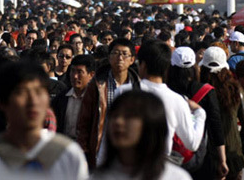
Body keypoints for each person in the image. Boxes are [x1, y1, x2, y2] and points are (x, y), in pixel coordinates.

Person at [0, 61, 88, 179]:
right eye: (22, 93)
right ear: (2, 102)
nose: (33, 101)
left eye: (39, 92)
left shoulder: (67, 154)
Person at [116, 39, 207, 161]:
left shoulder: (122, 92)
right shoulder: (177, 100)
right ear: (166, 68)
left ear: (142, 65)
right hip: (159, 169)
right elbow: (192, 143)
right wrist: (200, 113)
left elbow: (108, 138)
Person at [92, 90, 192, 180]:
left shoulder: (175, 177)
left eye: (129, 116)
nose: (118, 121)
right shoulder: (97, 177)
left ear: (151, 123)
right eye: (115, 115)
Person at [77, 38, 140, 169]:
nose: (120, 58)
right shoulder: (97, 85)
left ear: (132, 60)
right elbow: (84, 120)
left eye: (124, 54)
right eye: (115, 53)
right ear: (109, 57)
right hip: (101, 149)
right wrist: (83, 151)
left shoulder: (138, 87)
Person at [166, 46, 228, 179]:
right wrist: (222, 160)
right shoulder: (206, 91)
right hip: (201, 159)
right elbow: (216, 126)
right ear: (195, 67)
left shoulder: (166, 91)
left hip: (170, 158)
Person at [200, 46, 244, 180]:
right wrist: (239, 142)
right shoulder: (236, 89)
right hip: (233, 153)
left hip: (207, 155)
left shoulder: (200, 90)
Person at [53, 55, 95, 139]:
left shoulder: (96, 99)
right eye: (72, 71)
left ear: (91, 75)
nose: (75, 76)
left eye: (80, 72)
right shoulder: (61, 98)